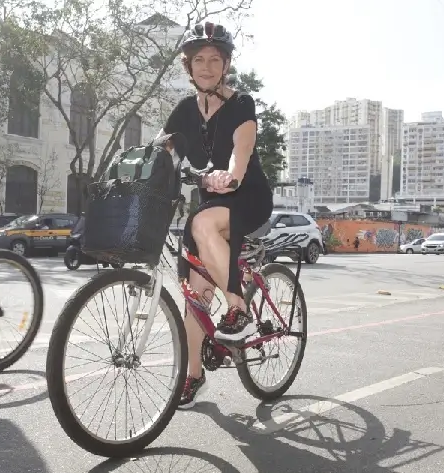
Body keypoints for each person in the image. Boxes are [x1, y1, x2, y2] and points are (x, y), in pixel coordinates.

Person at [159, 22, 274, 409]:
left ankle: (237, 306)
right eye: (198, 60)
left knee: (203, 223)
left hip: (247, 197)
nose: (206, 66)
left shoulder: (241, 103)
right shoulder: (183, 111)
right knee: (194, 295)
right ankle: (193, 377)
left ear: (225, 65)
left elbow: (242, 149)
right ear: (188, 67)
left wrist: (232, 173)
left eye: (215, 59)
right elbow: (163, 149)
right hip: (209, 207)